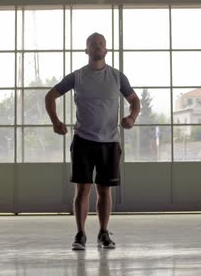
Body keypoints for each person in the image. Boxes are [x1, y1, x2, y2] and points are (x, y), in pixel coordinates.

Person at [45, 32, 140, 250]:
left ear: (106, 50)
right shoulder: (77, 76)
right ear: (86, 50)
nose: (97, 47)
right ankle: (80, 234)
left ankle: (103, 233)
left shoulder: (117, 77)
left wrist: (132, 117)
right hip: (83, 141)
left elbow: (134, 100)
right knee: (82, 190)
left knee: (105, 190)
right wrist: (55, 122)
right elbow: (50, 96)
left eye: (101, 44)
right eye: (92, 44)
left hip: (110, 142)